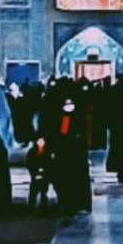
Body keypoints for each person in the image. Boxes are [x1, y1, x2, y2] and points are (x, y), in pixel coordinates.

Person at [47, 85, 93, 214]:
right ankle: (70, 203)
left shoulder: (75, 116)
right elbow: (63, 132)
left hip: (74, 154)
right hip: (68, 153)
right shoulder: (66, 117)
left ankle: (75, 203)